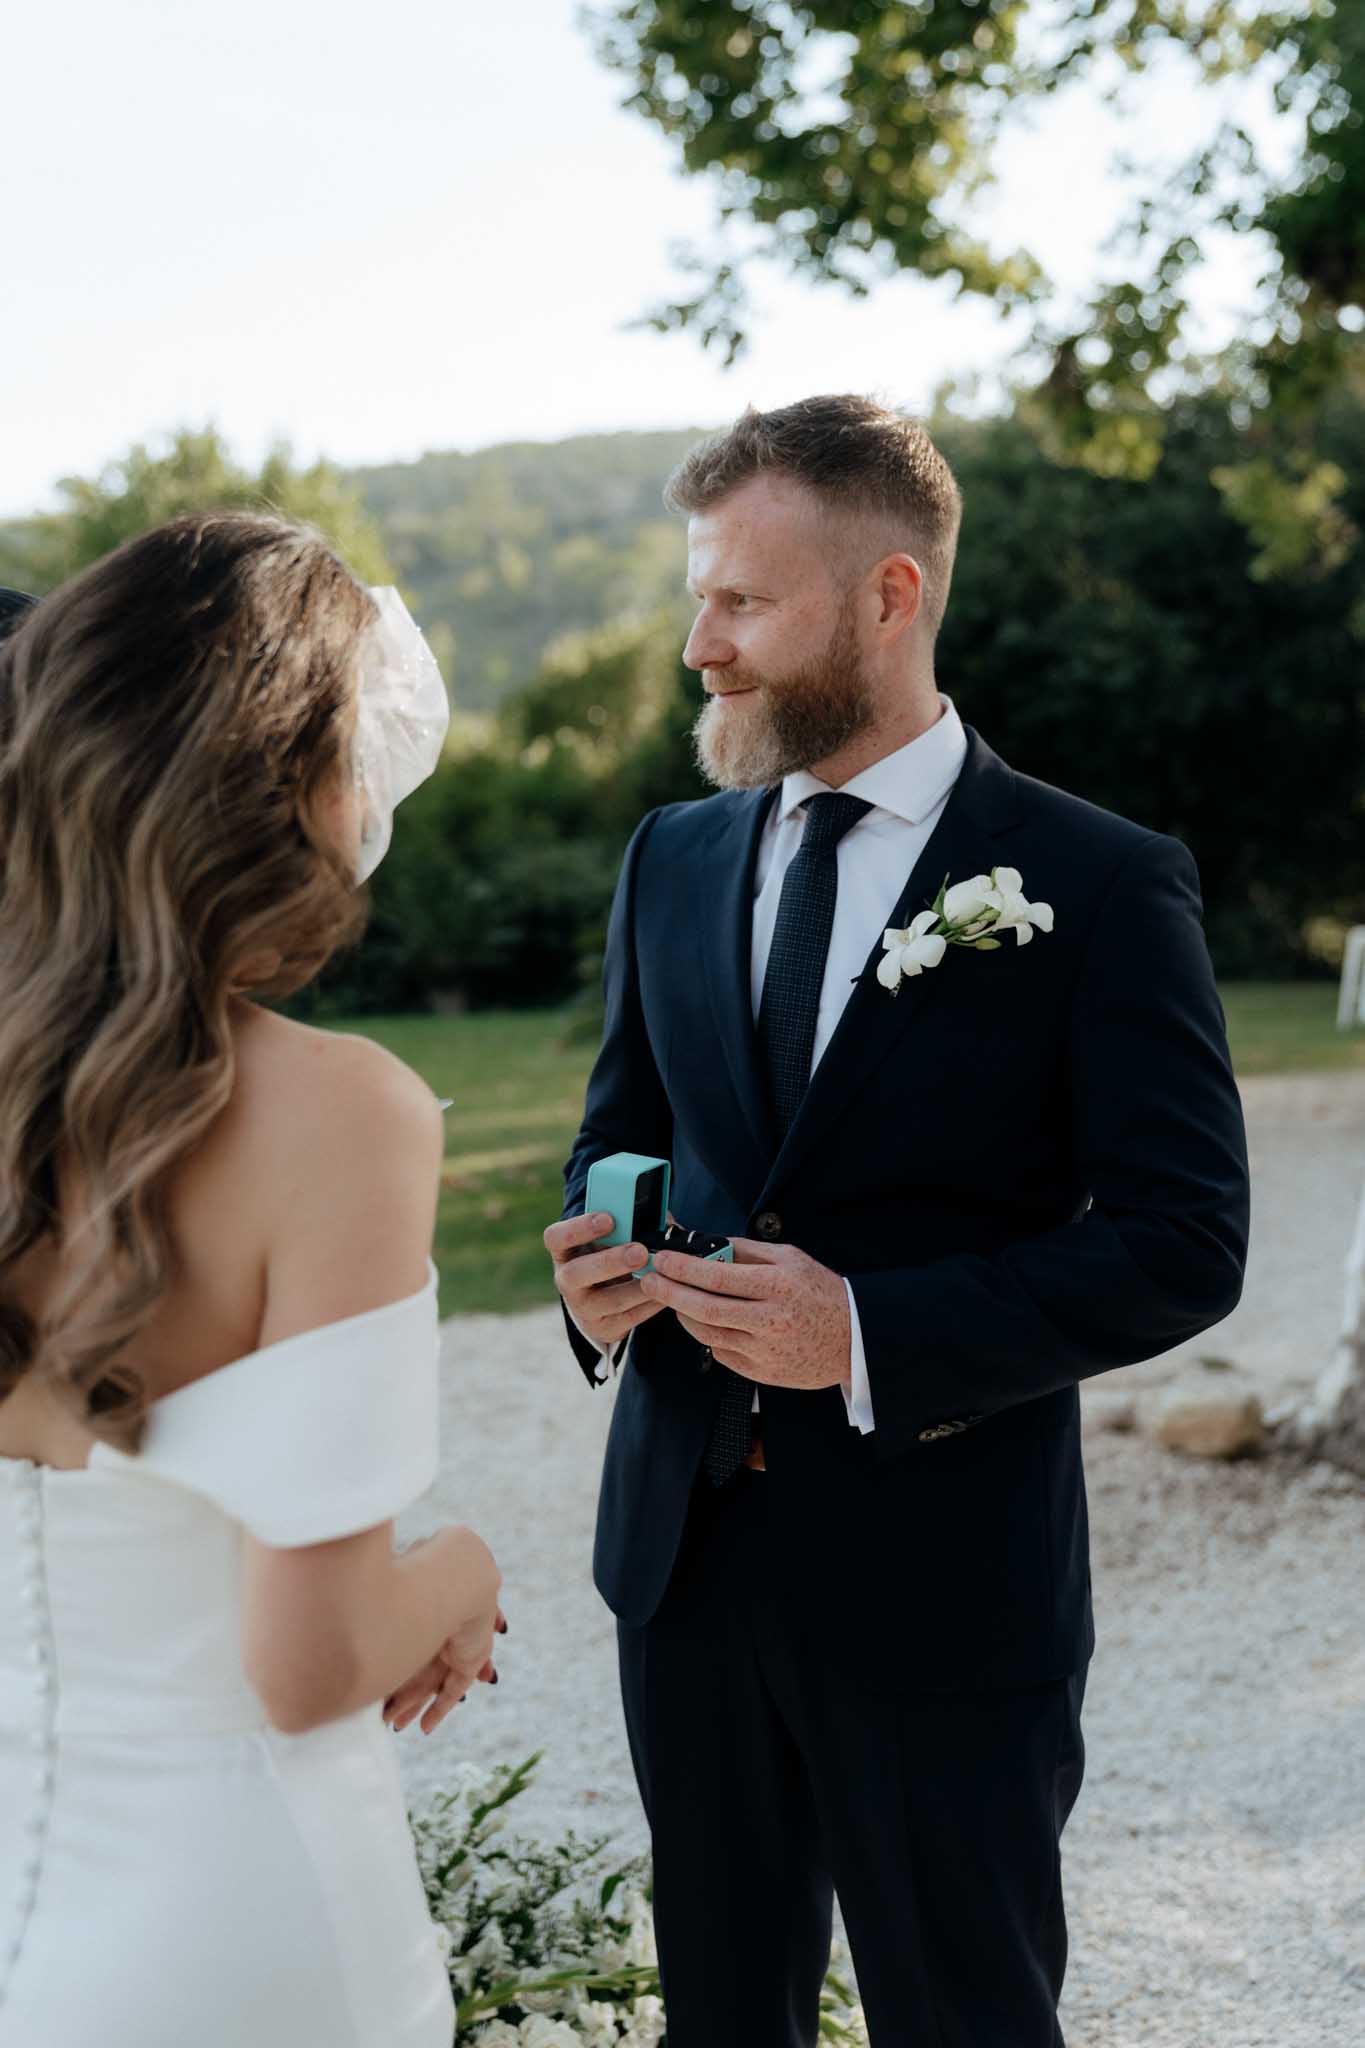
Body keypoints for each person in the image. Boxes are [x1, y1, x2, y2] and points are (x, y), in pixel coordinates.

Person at [546, 395, 1251, 2047]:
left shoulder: (1098, 878)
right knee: (721, 2014)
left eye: (741, 602)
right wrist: (596, 1279)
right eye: (695, 594)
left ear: (888, 596)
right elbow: (616, 1135)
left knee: (965, 2012)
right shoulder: (669, 855)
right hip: (686, 1561)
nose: (695, 647)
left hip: (944, 1583)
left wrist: (861, 1332)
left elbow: (1182, 1237)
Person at [0, 513, 501, 2047]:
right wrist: (465, 1571)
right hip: (233, 1926)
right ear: (287, 784)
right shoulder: (341, 1112)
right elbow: (313, 1662)